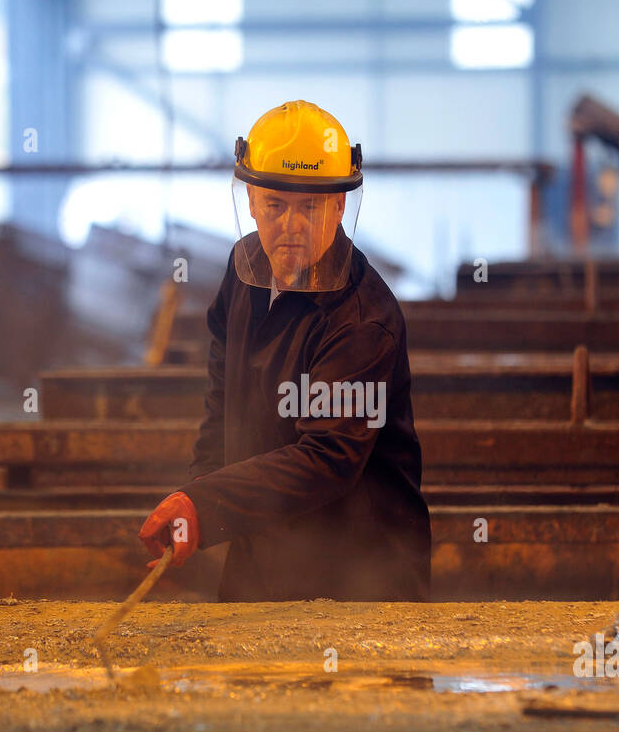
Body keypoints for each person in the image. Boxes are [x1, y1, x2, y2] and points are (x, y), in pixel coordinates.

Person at [138, 99, 431, 602]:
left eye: (311, 207)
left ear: (339, 207)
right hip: (265, 547)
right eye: (275, 205)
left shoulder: (363, 320)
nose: (291, 226)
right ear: (251, 199)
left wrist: (207, 506)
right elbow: (222, 401)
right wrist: (198, 494)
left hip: (362, 574)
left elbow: (327, 458)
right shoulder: (243, 269)